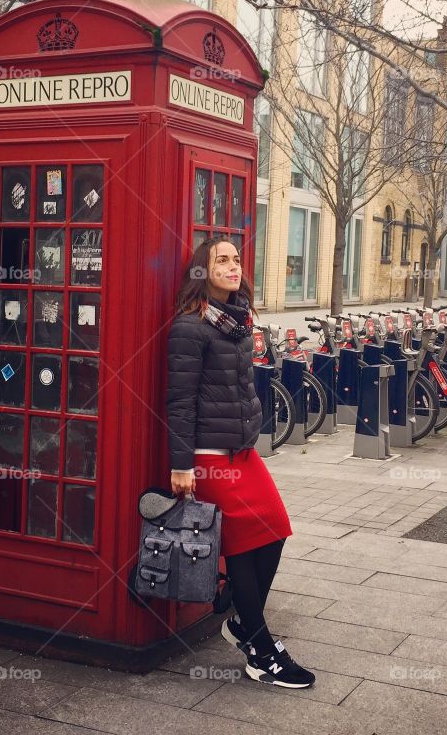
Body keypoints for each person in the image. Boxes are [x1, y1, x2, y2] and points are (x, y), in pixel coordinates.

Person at [165, 237, 316, 689]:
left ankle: (238, 617)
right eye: (221, 261)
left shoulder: (238, 320)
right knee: (244, 548)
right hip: (210, 458)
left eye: (235, 260)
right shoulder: (189, 328)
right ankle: (261, 650)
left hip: (244, 451)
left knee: (275, 531)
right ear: (201, 271)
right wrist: (181, 464)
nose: (233, 267)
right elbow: (179, 402)